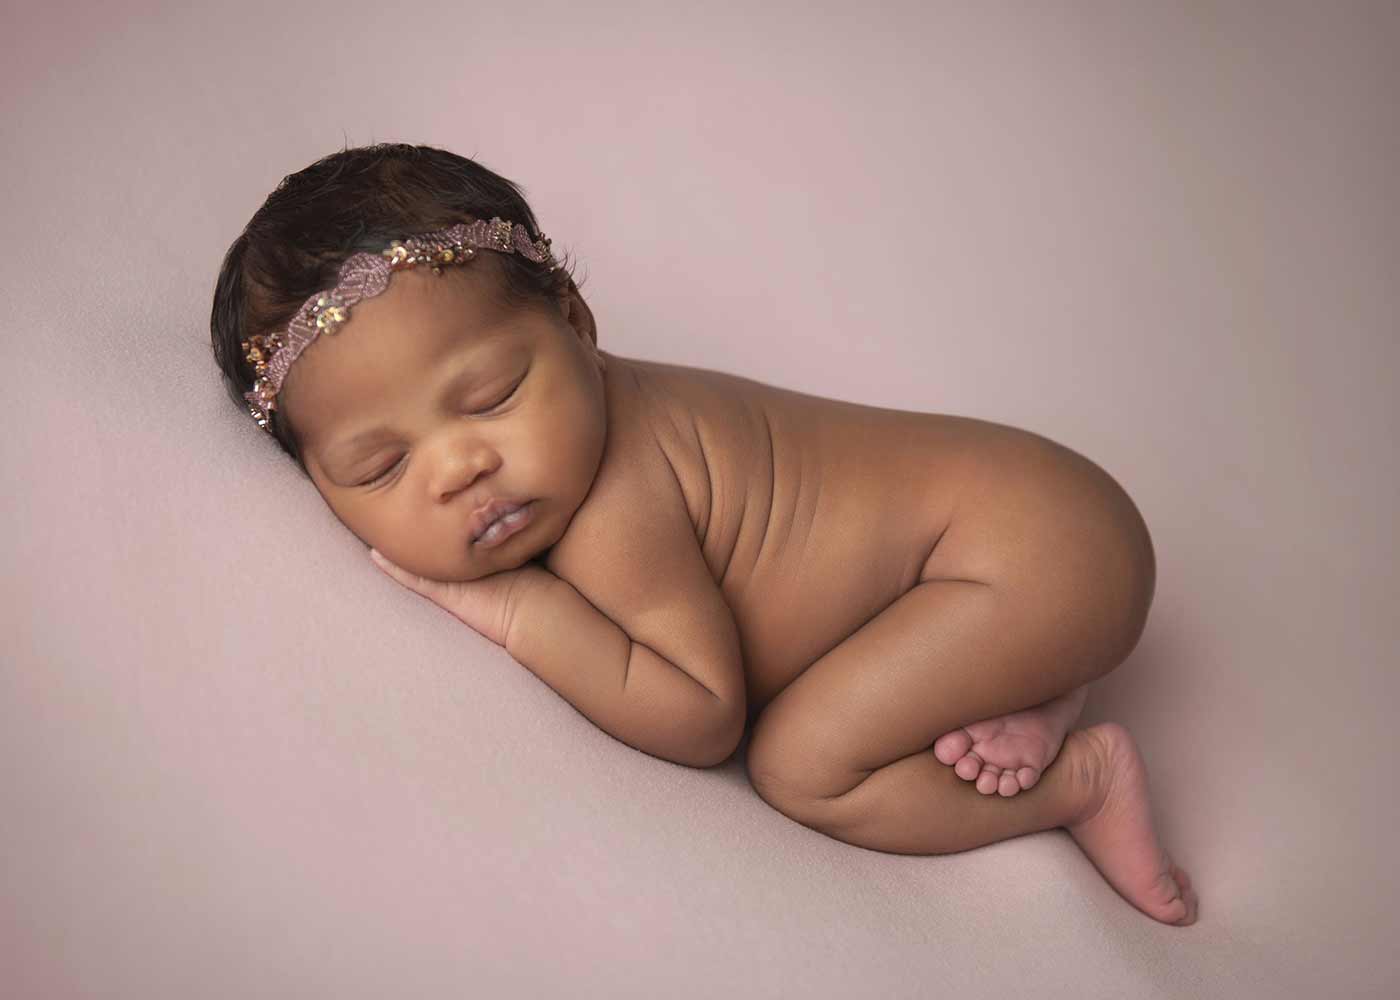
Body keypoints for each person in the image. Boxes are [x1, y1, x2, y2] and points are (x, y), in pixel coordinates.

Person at [209, 142, 1197, 927]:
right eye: (380, 468)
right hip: (1019, 533)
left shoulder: (613, 505)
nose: (461, 466)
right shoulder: (577, 422)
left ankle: (1077, 778)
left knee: (803, 769)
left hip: (1030, 552)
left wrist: (519, 607)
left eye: (494, 394)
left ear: (577, 323)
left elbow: (700, 713)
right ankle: (1035, 679)